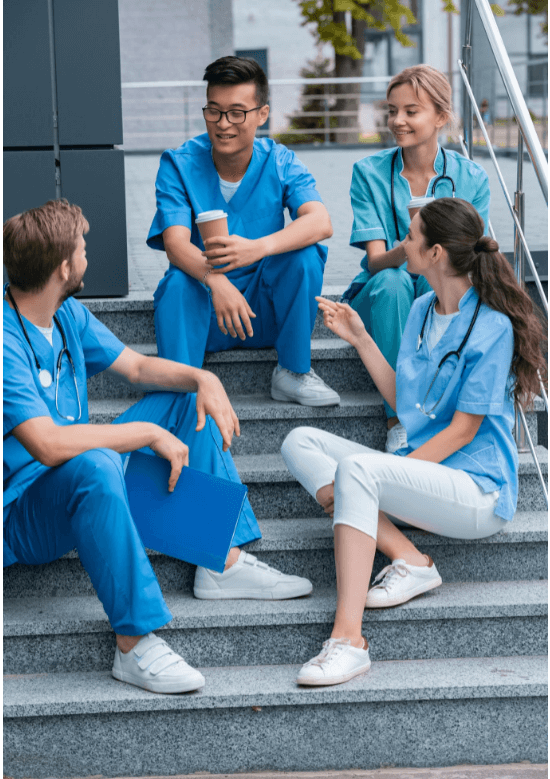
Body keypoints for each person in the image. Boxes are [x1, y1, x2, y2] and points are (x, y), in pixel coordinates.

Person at [3, 199, 313, 695]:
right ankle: (134, 643)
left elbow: (138, 369)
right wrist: (145, 435)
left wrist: (202, 377)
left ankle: (220, 560)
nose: (88, 254)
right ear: (63, 267)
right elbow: (47, 443)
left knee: (182, 401)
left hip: (82, 473)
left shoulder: (66, 317)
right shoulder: (5, 339)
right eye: (82, 246)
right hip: (23, 514)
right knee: (99, 462)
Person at [282, 198, 547, 687]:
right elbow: (406, 401)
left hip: (477, 492)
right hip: (424, 473)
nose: (403, 242)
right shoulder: (423, 308)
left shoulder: (491, 326)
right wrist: (360, 338)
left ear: (437, 253)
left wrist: (383, 475)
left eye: (411, 235)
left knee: (360, 471)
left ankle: (348, 642)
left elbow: (463, 431)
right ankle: (409, 559)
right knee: (299, 441)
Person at [147, 56, 340, 407]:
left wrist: (257, 248)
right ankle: (179, 390)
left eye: (237, 112)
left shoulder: (279, 161)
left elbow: (320, 221)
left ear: (262, 115)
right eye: (214, 111)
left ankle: (293, 372)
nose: (223, 124)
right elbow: (175, 244)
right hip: (205, 312)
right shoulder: (179, 163)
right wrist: (215, 280)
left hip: (261, 313)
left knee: (305, 254)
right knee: (176, 283)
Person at [343, 65, 491, 454]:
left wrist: (426, 254)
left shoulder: (471, 177)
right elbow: (375, 262)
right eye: (392, 111)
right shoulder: (369, 173)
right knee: (394, 282)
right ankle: (399, 421)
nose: (397, 120)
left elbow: (469, 263)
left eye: (411, 111)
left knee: (437, 278)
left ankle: (444, 406)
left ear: (441, 116)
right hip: (377, 290)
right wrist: (414, 244)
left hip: (437, 284)